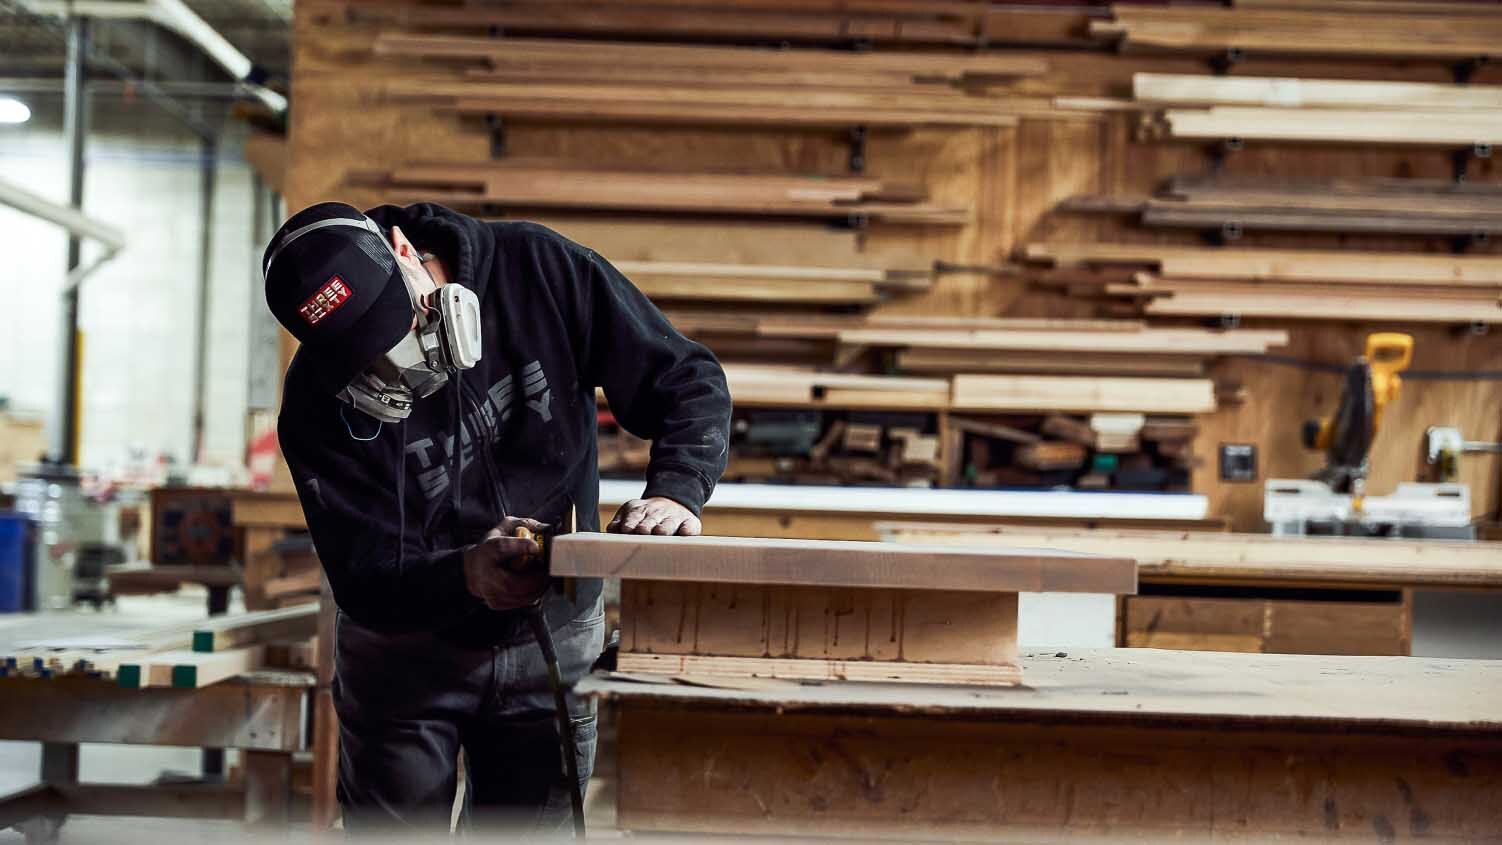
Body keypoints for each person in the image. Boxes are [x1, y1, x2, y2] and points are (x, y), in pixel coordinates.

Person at [261, 201, 731, 834]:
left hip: (552, 637)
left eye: (393, 329)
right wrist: (464, 575)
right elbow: (363, 578)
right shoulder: (319, 410)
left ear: (405, 254)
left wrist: (677, 490)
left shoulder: (538, 271)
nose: (392, 364)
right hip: (405, 657)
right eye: (364, 357)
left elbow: (686, 379)